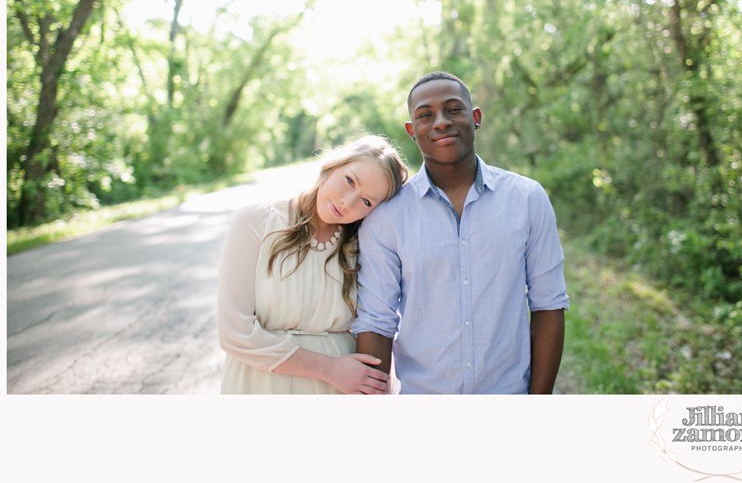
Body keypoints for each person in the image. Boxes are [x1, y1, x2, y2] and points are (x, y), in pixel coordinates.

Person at [352, 72, 569, 394]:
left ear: (475, 117)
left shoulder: (527, 199)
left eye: (453, 109)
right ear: (412, 131)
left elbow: (548, 304)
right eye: (426, 115)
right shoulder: (387, 218)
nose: (440, 122)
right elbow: (376, 322)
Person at [217, 135, 408, 394]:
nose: (347, 202)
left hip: (337, 389)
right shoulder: (255, 220)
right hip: (260, 382)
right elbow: (234, 332)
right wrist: (329, 368)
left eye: (366, 201)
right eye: (349, 181)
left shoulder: (362, 246)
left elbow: (379, 320)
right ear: (333, 165)